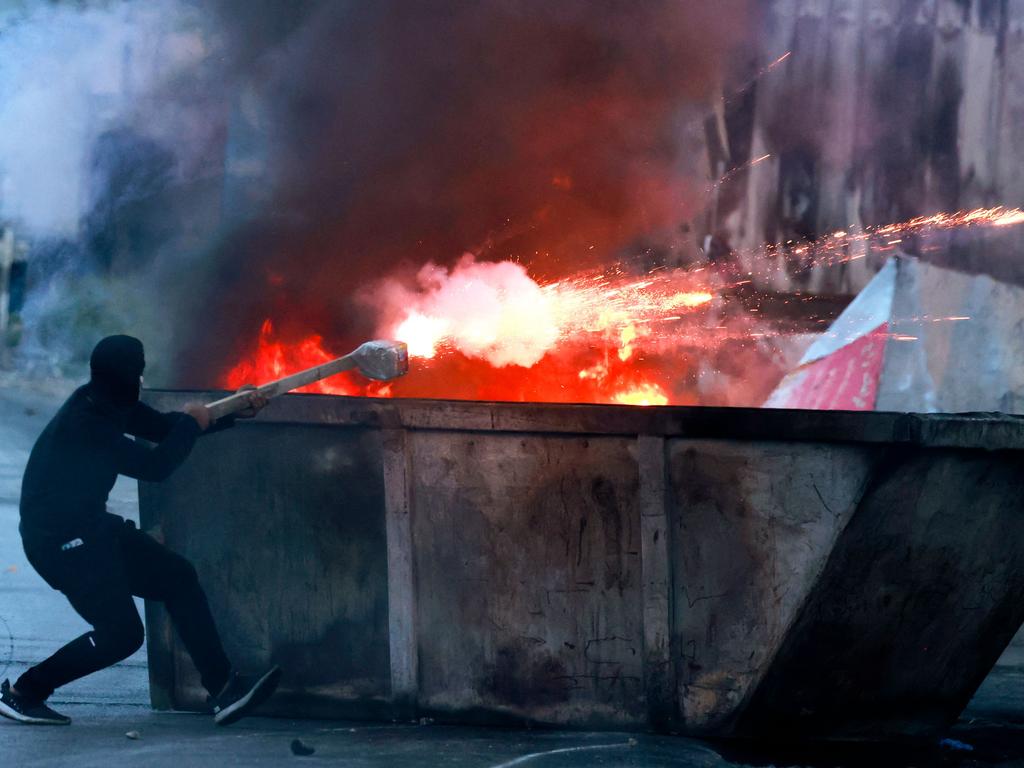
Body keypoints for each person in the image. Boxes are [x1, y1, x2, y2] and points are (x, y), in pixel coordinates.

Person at [0, 335, 280, 726]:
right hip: (61, 542)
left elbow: (166, 429)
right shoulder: (87, 421)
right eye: (138, 374)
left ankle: (223, 689)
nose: (141, 382)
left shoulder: (107, 402)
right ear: (133, 375)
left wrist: (233, 410)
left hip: (92, 529)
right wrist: (191, 423)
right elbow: (155, 467)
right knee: (121, 635)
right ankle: (24, 692)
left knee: (178, 577)